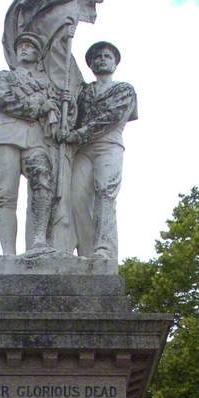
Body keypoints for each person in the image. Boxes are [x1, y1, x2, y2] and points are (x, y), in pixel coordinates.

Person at [0, 32, 61, 255]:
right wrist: (39, 107)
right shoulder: (3, 78)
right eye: (21, 46)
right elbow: (4, 101)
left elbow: (57, 115)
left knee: (43, 182)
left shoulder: (49, 85)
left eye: (29, 46)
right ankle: (8, 253)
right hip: (6, 137)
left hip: (36, 140)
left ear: (38, 54)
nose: (24, 49)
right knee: (6, 197)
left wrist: (57, 109)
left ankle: (38, 240)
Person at [65, 40, 137, 263]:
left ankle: (104, 249)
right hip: (83, 150)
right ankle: (87, 252)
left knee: (105, 193)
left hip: (108, 145)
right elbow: (72, 118)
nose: (101, 59)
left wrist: (80, 133)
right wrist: (66, 104)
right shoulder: (83, 92)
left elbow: (111, 118)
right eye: (97, 57)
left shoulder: (124, 90)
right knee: (76, 199)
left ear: (115, 62)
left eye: (106, 56)